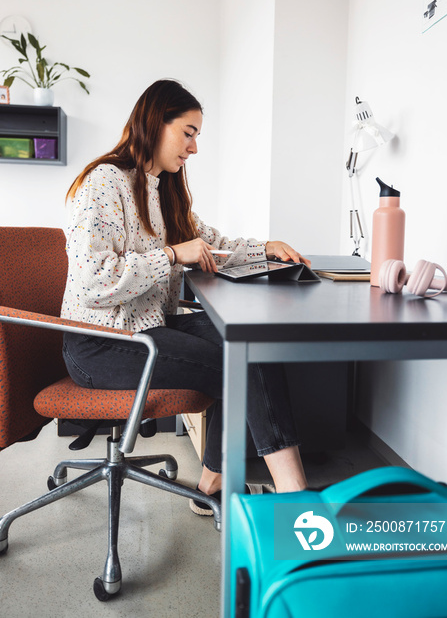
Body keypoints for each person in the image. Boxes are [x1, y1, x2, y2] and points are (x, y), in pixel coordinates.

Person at [61, 79, 309, 515]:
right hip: (101, 341)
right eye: (189, 132)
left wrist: (262, 248)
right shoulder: (103, 184)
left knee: (251, 344)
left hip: (149, 326)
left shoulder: (164, 188)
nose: (194, 148)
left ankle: (213, 483)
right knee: (235, 363)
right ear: (156, 123)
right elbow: (93, 283)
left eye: (197, 136)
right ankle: (294, 498)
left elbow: (209, 243)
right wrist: (172, 255)